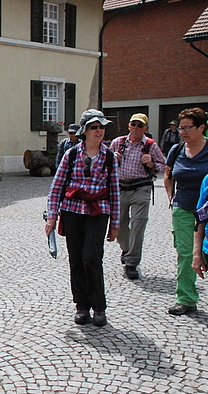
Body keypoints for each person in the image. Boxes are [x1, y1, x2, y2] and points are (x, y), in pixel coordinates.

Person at [46, 109, 120, 327]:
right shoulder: (71, 154)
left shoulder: (109, 157)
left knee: (92, 257)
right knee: (76, 259)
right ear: (84, 131)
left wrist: (115, 223)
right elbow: (57, 186)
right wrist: (52, 216)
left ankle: (99, 307)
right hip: (72, 211)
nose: (99, 131)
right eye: (94, 127)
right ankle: (81, 305)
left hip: (98, 211)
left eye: (101, 127)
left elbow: (115, 190)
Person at [109, 113, 166, 279]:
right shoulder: (117, 143)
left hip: (141, 188)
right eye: (133, 124)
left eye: (140, 126)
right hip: (120, 188)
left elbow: (163, 167)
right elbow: (104, 165)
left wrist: (151, 163)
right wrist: (113, 159)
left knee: (138, 224)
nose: (136, 128)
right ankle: (126, 249)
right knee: (118, 224)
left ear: (146, 129)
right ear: (128, 125)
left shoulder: (151, 145)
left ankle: (132, 262)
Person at [164, 107, 208, 316]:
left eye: (187, 128)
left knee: (204, 252)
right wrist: (172, 198)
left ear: (202, 128)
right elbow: (168, 175)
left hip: (206, 211)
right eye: (181, 128)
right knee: (186, 252)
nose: (183, 132)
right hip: (183, 207)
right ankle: (186, 298)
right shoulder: (177, 150)